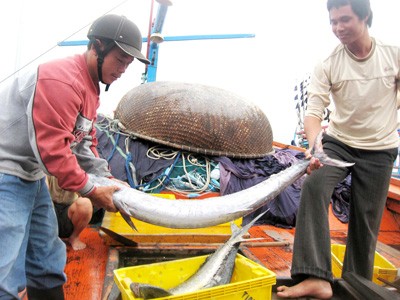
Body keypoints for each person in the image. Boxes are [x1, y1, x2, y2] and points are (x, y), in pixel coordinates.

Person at [0, 14, 150, 299]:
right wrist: (93, 191)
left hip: (30, 176)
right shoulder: (63, 81)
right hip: (5, 173)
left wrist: (108, 179)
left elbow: (84, 143)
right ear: (97, 46)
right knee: (5, 268)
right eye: (120, 60)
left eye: (128, 64)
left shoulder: (90, 88)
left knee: (46, 256)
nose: (123, 70)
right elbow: (54, 153)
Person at [277, 0, 400, 298]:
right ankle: (315, 277)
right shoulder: (329, 62)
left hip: (380, 149)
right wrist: (314, 146)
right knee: (314, 186)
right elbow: (314, 111)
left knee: (367, 219)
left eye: (345, 20)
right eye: (333, 22)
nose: (338, 28)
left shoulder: (393, 56)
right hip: (339, 143)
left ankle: (354, 282)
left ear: (366, 17)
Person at [47, 176, 94, 251]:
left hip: (69, 210)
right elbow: (43, 196)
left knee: (85, 204)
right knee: (44, 204)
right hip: (49, 208)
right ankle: (49, 239)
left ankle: (74, 237)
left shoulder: (77, 169)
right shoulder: (46, 169)